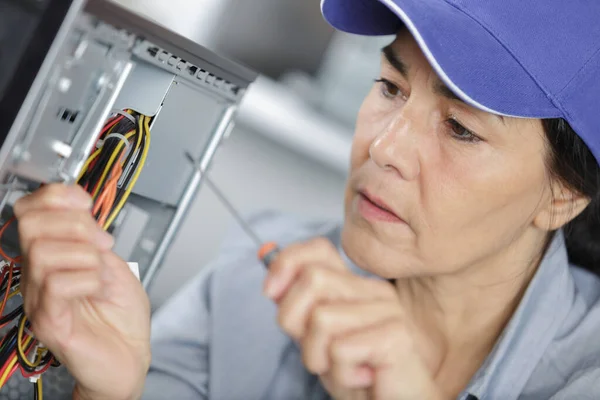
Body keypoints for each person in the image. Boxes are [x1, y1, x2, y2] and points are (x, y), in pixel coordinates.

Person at [13, 0, 600, 399]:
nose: (384, 147)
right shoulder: (253, 282)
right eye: (390, 88)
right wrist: (111, 389)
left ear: (565, 195)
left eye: (461, 128)